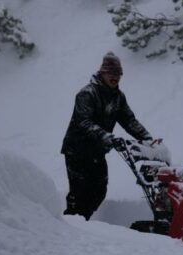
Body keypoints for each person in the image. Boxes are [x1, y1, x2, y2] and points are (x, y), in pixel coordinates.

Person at [61, 52, 156, 220]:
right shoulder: (87, 93)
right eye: (111, 73)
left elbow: (129, 121)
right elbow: (83, 122)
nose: (115, 77)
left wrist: (148, 138)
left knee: (99, 190)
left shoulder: (118, 97)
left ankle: (82, 220)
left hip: (97, 152)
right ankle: (71, 222)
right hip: (77, 150)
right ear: (102, 73)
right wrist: (107, 137)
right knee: (79, 192)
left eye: (118, 74)